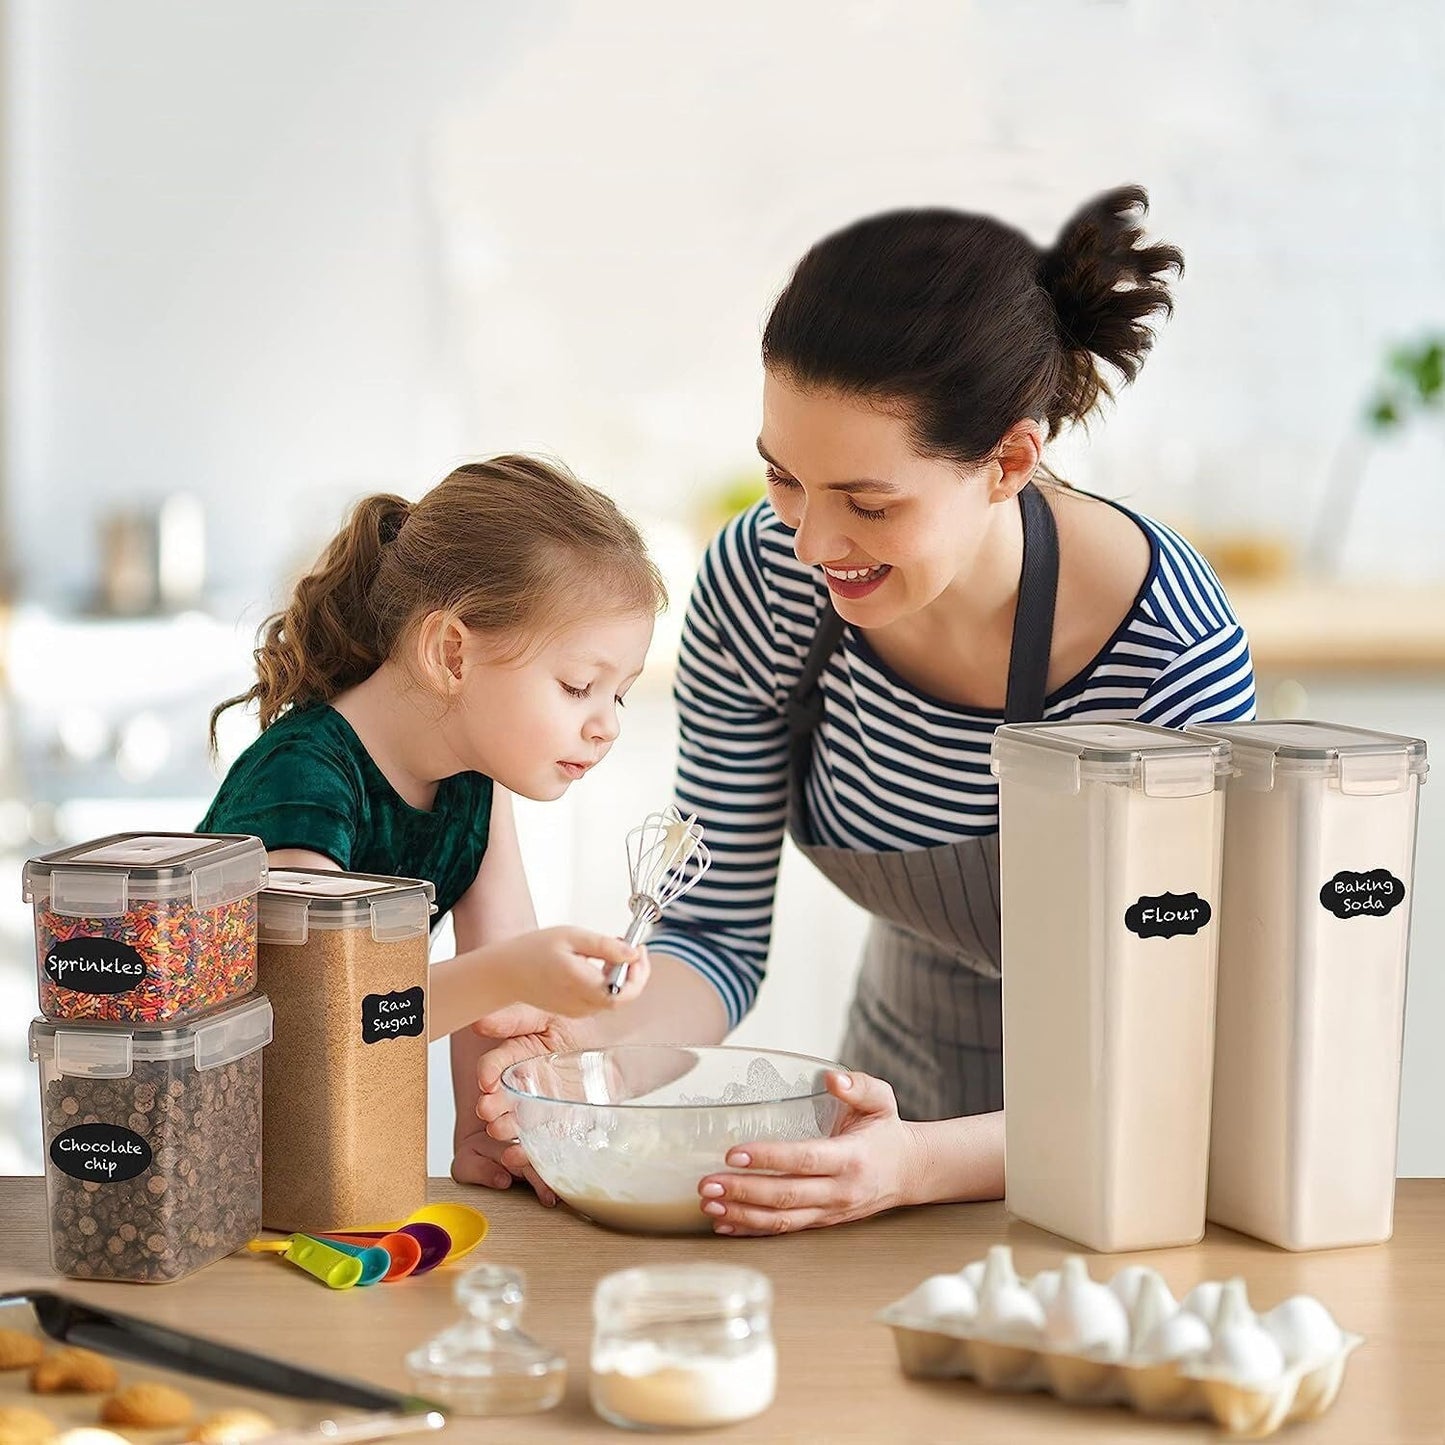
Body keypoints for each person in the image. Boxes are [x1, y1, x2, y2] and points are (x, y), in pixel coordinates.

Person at [474, 185, 1256, 1233]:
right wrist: (586, 1060)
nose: (808, 541)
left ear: (1007, 462)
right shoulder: (761, 585)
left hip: (1119, 1152)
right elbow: (711, 928)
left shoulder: (1164, 654)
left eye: (867, 502)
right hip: (886, 1108)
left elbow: (1184, 1058)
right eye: (783, 478)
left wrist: (916, 1165)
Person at [202, 454, 666, 1191]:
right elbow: (326, 1012)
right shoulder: (304, 778)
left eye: (620, 695)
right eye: (579, 686)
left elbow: (504, 1007)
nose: (605, 725)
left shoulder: (477, 781)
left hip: (323, 1157)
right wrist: (514, 972)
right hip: (214, 1159)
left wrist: (500, 1134)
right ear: (451, 651)